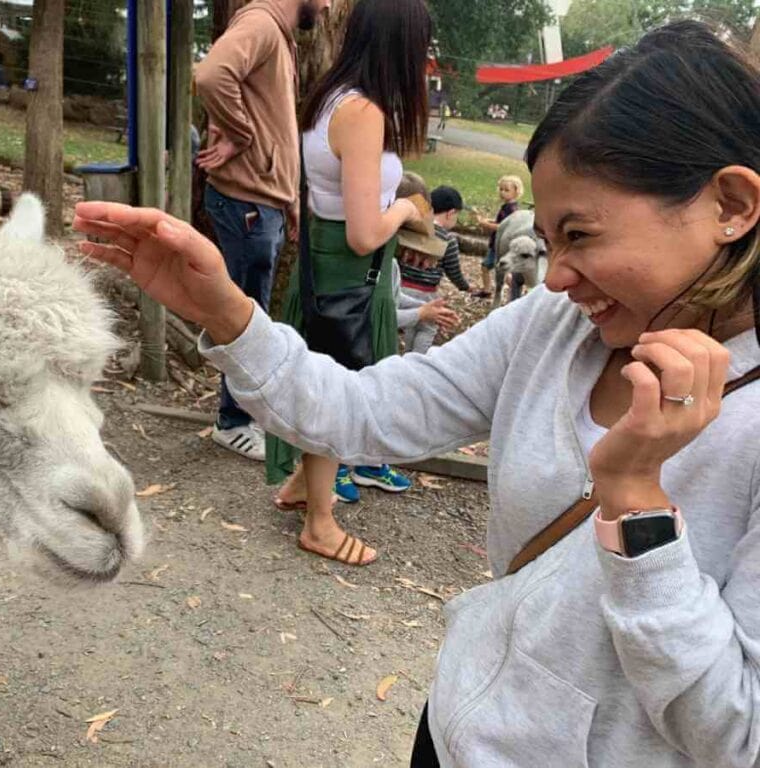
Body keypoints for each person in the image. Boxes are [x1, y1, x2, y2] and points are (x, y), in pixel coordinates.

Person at [75, 19, 760, 766]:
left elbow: (736, 734)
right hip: (457, 733)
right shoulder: (554, 327)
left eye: (582, 236)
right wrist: (227, 313)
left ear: (730, 204)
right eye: (550, 241)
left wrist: (635, 500)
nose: (555, 276)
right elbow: (364, 414)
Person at [265, 0, 430, 560]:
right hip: (345, 270)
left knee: (322, 378)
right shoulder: (362, 112)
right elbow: (364, 233)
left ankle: (298, 486)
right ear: (401, 47)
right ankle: (320, 521)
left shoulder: (330, 96)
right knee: (336, 393)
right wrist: (407, 211)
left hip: (323, 265)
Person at [193, 0, 329, 461]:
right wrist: (242, 134)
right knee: (243, 318)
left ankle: (241, 416)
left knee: (251, 313)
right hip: (245, 202)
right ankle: (232, 421)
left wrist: (288, 195)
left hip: (263, 201)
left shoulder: (277, 34)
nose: (328, 7)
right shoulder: (261, 25)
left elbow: (279, 125)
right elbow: (212, 74)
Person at [397, 182, 466, 353]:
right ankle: (416, 358)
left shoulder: (411, 230)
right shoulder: (448, 239)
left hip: (401, 285)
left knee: (413, 322)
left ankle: (407, 356)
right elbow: (453, 270)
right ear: (451, 213)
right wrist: (465, 286)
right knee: (427, 327)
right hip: (425, 291)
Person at [473, 175, 523, 299]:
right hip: (496, 244)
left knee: (502, 273)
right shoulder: (507, 206)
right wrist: (489, 220)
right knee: (488, 267)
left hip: (501, 246)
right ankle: (487, 290)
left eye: (506, 190)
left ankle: (517, 295)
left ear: (516, 192)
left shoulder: (512, 209)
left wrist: (485, 224)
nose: (502, 192)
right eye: (501, 189)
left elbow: (503, 226)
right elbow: (500, 221)